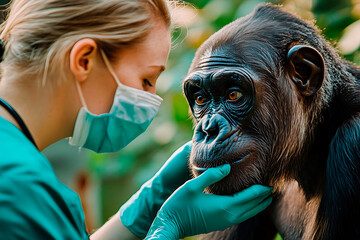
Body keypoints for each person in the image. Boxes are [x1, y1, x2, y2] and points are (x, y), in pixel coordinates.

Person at [0, 0, 273, 239]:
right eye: (146, 80)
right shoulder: (20, 187)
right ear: (84, 60)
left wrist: (143, 208)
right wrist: (166, 229)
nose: (152, 100)